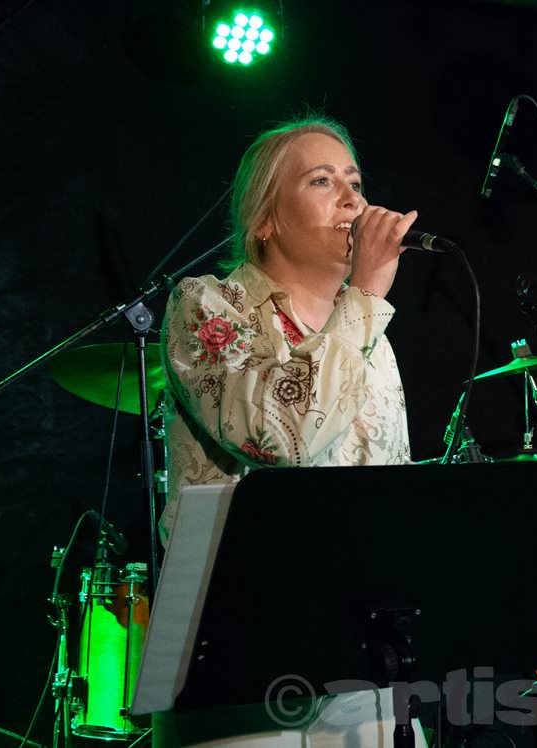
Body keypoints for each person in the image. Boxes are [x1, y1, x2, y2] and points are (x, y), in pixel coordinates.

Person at [155, 115, 421, 746]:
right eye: (322, 181)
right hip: (243, 665)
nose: (353, 200)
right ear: (266, 220)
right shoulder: (206, 305)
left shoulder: (371, 341)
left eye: (355, 181)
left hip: (359, 661)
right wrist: (365, 297)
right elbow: (278, 441)